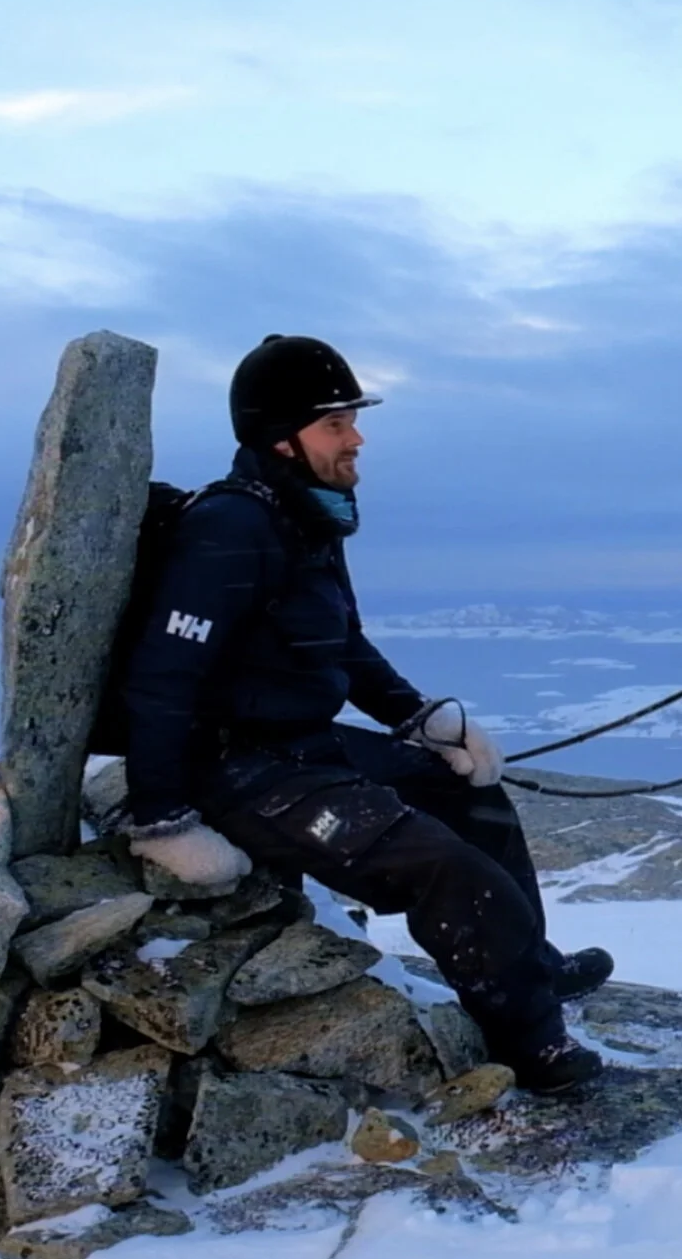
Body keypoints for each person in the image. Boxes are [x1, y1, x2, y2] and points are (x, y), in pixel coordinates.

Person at [115, 334, 611, 1093]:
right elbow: (161, 675)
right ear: (282, 439)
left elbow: (341, 643)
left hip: (303, 744)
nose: (357, 437)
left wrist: (421, 720)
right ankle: (532, 1043)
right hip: (238, 767)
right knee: (443, 868)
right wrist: (161, 819)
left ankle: (530, 966)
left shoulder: (306, 515)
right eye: (336, 423)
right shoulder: (229, 528)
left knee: (470, 795)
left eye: (351, 419)